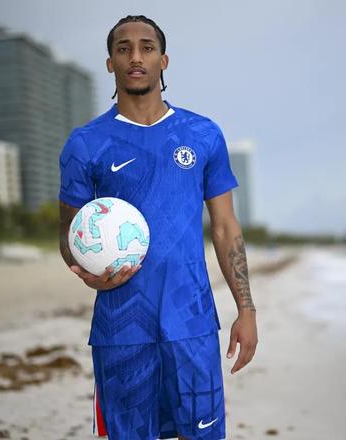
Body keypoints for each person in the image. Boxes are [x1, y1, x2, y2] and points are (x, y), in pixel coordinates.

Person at [57, 14, 257, 440]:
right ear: (110, 63)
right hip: (121, 329)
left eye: (146, 48)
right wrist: (86, 271)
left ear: (163, 60)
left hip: (193, 323)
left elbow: (225, 228)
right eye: (123, 48)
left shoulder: (202, 134)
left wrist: (246, 309)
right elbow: (68, 234)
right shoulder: (85, 143)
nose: (136, 57)